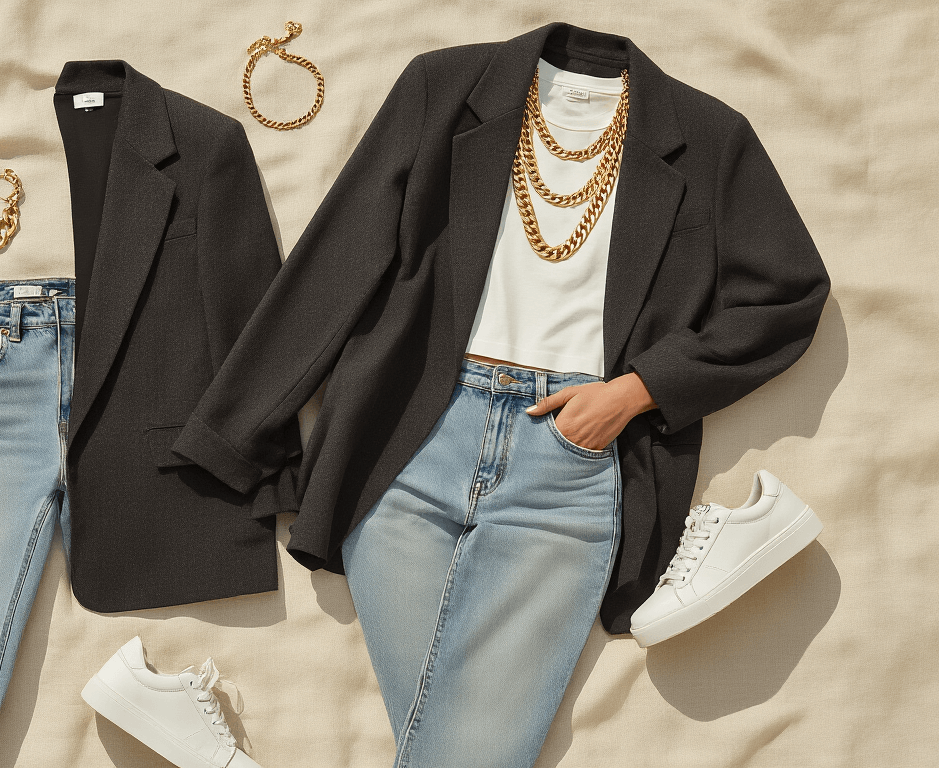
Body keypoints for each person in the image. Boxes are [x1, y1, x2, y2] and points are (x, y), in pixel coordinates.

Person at [171, 22, 830, 768]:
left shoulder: (709, 137)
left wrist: (638, 392)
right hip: (414, 434)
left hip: (571, 454)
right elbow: (344, 248)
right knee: (464, 746)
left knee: (469, 745)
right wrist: (239, 426)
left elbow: (786, 295)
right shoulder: (444, 89)